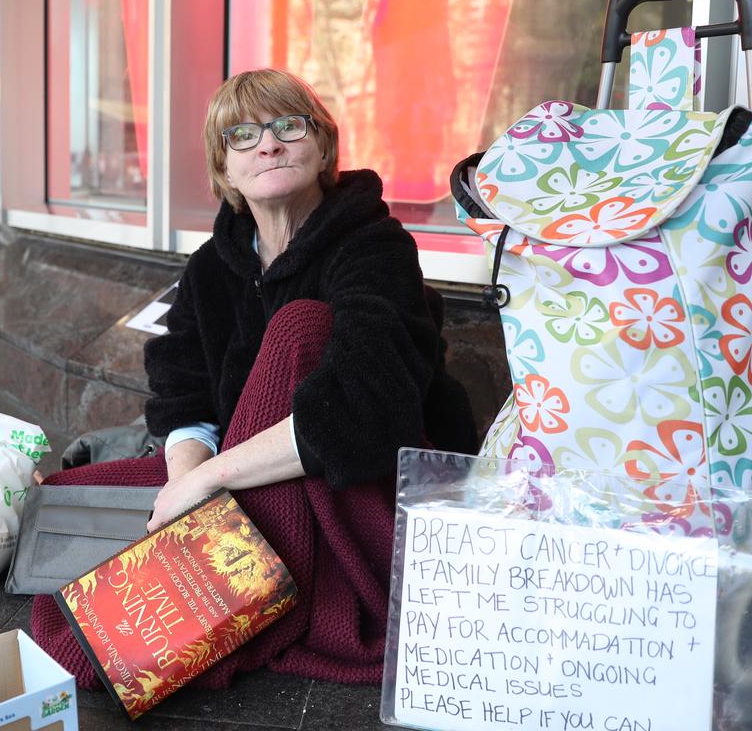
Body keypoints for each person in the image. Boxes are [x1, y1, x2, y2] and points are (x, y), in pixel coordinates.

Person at [31, 68, 476, 689]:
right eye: (242, 136)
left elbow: (368, 411)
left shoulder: (374, 245)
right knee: (62, 497)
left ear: (322, 147)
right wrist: (188, 488)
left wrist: (210, 479)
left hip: (354, 487)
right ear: (225, 169)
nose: (267, 144)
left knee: (299, 328)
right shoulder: (212, 265)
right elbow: (180, 386)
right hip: (247, 469)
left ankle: (215, 609)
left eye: (287, 126)